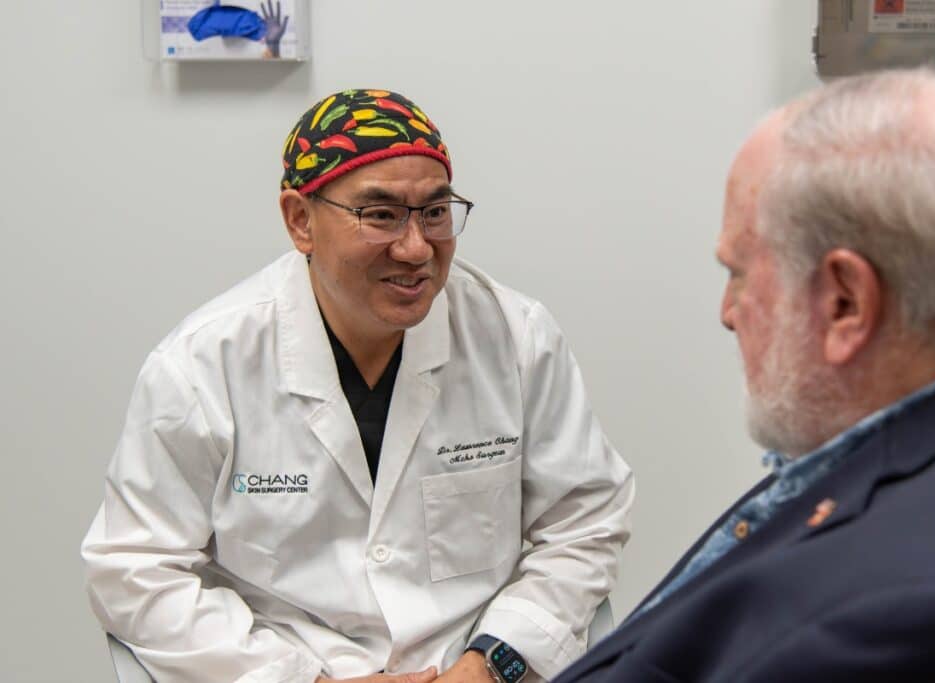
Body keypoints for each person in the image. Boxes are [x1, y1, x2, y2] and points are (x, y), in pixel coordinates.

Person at [82, 89, 635, 683]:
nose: (417, 247)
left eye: (435, 211)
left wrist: (491, 664)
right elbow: (135, 567)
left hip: (470, 665)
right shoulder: (202, 366)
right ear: (301, 220)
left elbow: (585, 522)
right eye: (381, 214)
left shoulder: (516, 338)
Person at [555, 67, 935, 682]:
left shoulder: (916, 617)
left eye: (739, 273)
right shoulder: (893, 455)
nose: (727, 315)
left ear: (845, 304)